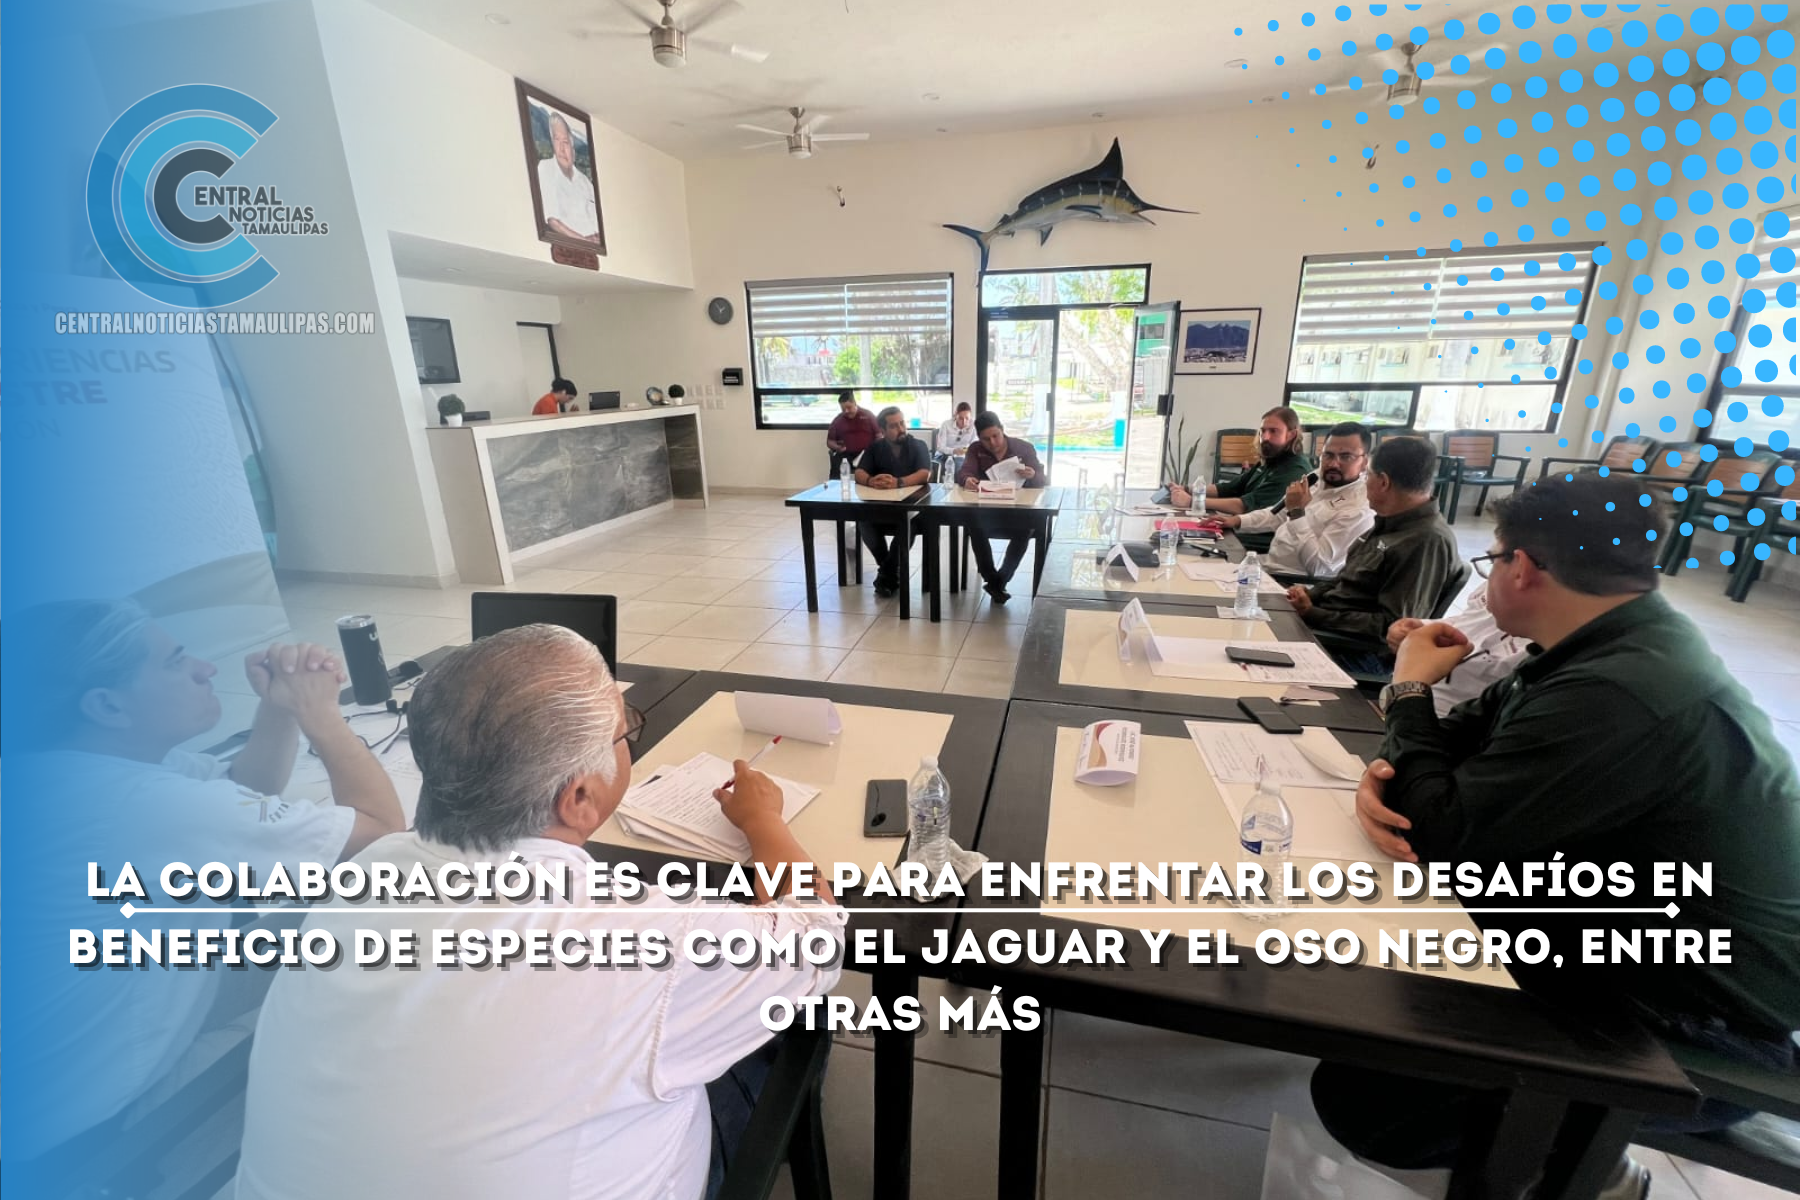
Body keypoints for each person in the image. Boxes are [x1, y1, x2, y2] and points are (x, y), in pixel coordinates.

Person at [236, 624, 845, 1200]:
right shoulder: (640, 934)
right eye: (625, 733)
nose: (629, 741)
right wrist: (763, 819)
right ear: (578, 797)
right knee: (787, 1029)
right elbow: (817, 933)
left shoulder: (366, 872)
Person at [1321, 475, 1800, 1198]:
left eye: (1493, 560)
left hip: (1700, 1018)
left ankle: (1586, 1169)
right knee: (1377, 974)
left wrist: (1410, 687)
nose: (1488, 578)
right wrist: (1385, 778)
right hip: (1623, 932)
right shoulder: (1604, 642)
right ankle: (1564, 1142)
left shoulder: (1620, 689)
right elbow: (1451, 748)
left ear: (1522, 568)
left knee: (1367, 1098)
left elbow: (1442, 832)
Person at [6, 600, 402, 1166]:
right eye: (176, 662)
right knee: (388, 939)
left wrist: (279, 708)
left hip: (57, 1062)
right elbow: (381, 841)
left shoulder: (72, 765)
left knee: (328, 925)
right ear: (107, 705)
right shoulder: (140, 806)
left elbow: (244, 785)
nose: (206, 668)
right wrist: (323, 717)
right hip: (102, 1121)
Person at [1283, 436, 1466, 673]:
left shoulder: (1426, 542)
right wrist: (1308, 595)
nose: (1364, 481)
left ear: (1383, 482)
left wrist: (1313, 614)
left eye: (1367, 475)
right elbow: (1346, 579)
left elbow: (1391, 626)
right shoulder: (1390, 521)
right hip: (1328, 630)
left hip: (1354, 650)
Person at [1209, 422, 1374, 579]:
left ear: (1364, 463)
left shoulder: (1359, 509)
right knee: (1205, 563)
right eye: (1328, 455)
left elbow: (1319, 567)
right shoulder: (1316, 477)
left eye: (1346, 457)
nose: (1334, 464)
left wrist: (1297, 514)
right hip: (1268, 565)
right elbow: (1277, 514)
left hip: (1294, 583)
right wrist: (1236, 521)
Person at [1168, 407, 1313, 546]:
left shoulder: (1294, 470)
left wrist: (1192, 501)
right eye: (1263, 431)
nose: (1265, 437)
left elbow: (1244, 506)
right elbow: (1230, 488)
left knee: (1192, 539)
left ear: (1291, 434)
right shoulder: (1271, 459)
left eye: (1273, 431)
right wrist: (1186, 489)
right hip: (1242, 526)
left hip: (1261, 537)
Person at [1386, 580, 1532, 716]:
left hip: (1443, 720)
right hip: (1403, 698)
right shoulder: (1497, 581)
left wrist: (1408, 686)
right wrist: (1423, 628)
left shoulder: (1539, 654)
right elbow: (1468, 620)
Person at [956, 411, 1047, 603]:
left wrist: (1032, 475)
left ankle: (1000, 580)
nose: (992, 443)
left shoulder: (1023, 448)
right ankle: (991, 578)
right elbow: (964, 472)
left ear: (1002, 430)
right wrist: (967, 479)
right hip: (987, 511)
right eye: (986, 439)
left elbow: (1042, 480)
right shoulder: (975, 449)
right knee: (974, 524)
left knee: (1026, 528)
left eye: (995, 436)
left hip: (1017, 510)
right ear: (979, 438)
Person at [855, 405, 933, 598]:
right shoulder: (876, 447)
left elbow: (924, 474)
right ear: (883, 430)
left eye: (902, 423)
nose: (901, 428)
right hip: (882, 508)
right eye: (894, 426)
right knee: (864, 521)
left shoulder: (918, 445)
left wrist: (898, 482)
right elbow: (859, 472)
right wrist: (870, 481)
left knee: (908, 525)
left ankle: (886, 575)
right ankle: (890, 572)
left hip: (913, 510)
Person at [537, 112, 601, 243]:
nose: (561, 149)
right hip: (576, 245)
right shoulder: (545, 168)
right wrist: (585, 242)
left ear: (573, 150)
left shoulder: (585, 181)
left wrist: (599, 241)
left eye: (565, 142)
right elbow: (553, 222)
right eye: (556, 141)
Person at [825, 390, 880, 477]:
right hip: (846, 453)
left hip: (866, 453)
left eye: (849, 407)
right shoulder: (838, 420)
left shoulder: (868, 415)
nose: (846, 411)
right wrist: (838, 447)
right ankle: (835, 483)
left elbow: (879, 435)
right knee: (837, 462)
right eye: (843, 409)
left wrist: (874, 449)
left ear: (855, 403)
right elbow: (830, 441)